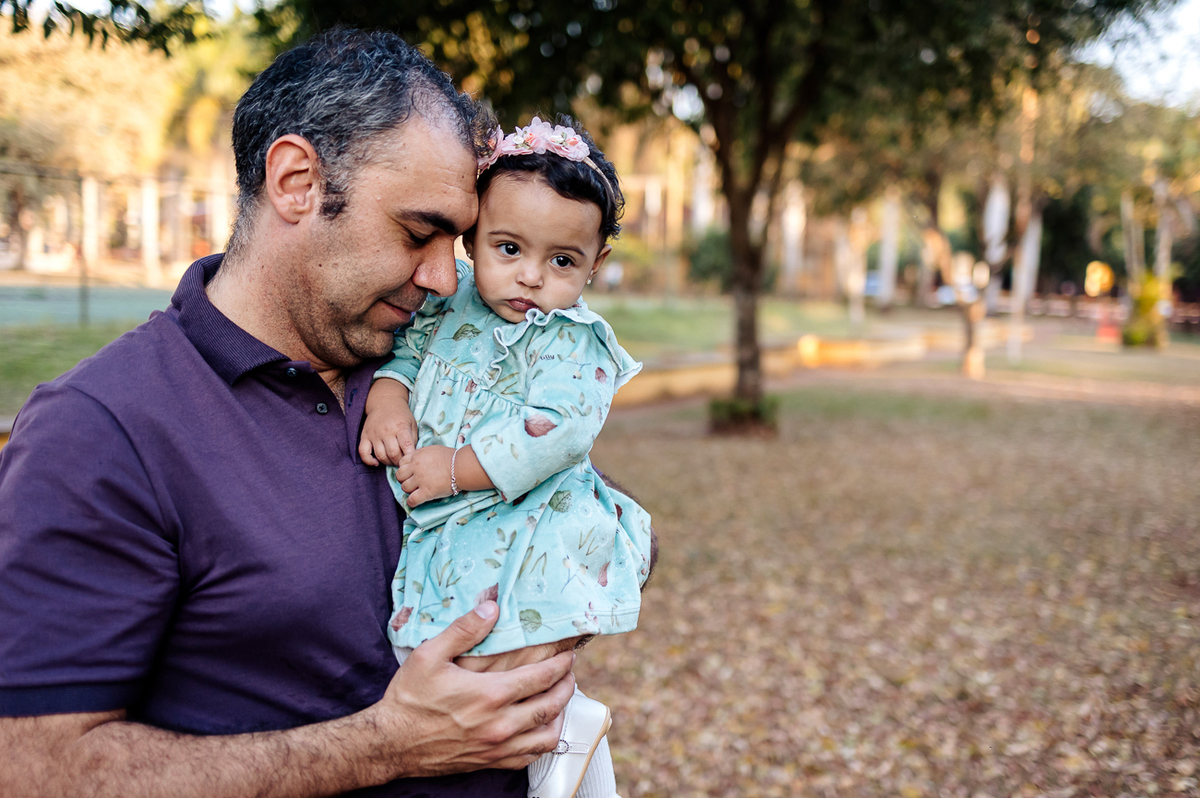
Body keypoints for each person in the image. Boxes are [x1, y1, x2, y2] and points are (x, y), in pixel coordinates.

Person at [0, 29, 585, 797]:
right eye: (419, 232)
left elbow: (586, 522)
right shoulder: (102, 430)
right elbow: (34, 770)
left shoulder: (434, 360)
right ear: (296, 181)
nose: (446, 277)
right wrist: (385, 746)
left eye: (463, 244)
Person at [358, 117, 653, 798]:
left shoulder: (575, 339)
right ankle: (566, 731)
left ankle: (560, 733)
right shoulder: (448, 302)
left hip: (524, 512)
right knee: (430, 645)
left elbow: (561, 429)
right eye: (510, 248)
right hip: (457, 522)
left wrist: (456, 466)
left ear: (594, 265)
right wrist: (388, 402)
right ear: (472, 239)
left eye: (562, 262)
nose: (530, 277)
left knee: (501, 637)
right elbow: (404, 353)